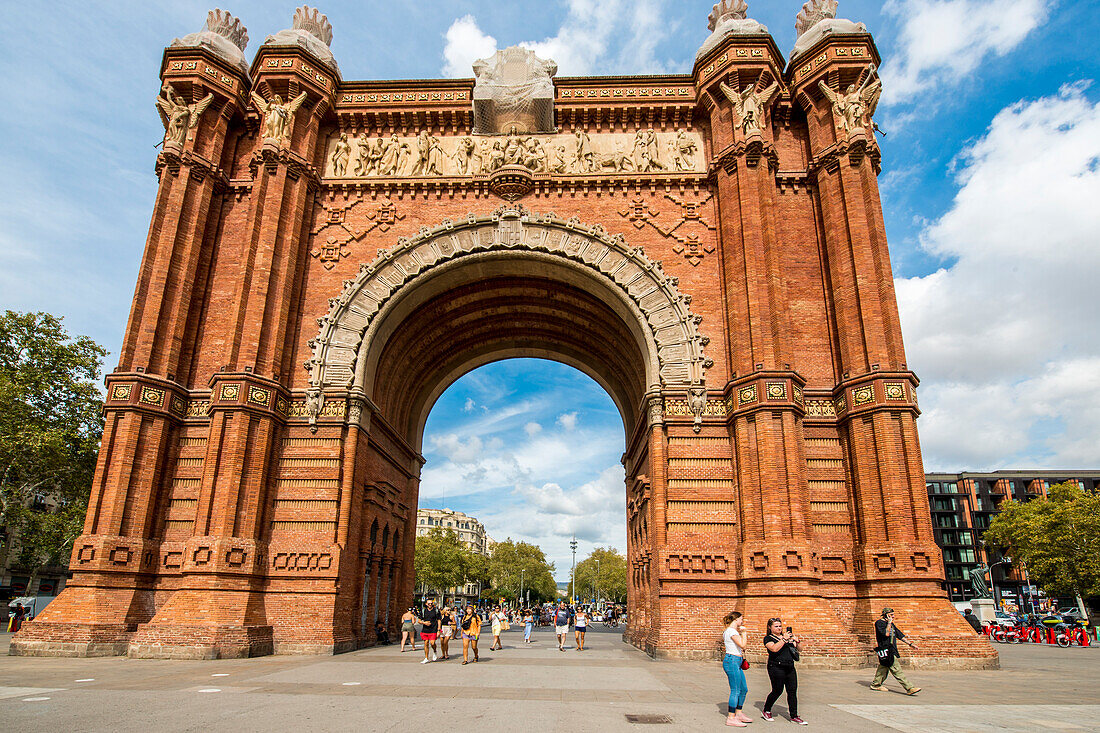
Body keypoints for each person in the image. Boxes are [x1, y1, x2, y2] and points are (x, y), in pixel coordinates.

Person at [762, 618, 806, 725]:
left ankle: (794, 715)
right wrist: (783, 640)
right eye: (776, 626)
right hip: (776, 667)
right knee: (777, 690)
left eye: (780, 626)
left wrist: (796, 640)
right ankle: (767, 710)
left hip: (789, 667)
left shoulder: (787, 638)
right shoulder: (768, 638)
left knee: (792, 691)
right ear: (770, 627)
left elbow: (800, 649)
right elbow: (774, 649)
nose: (779, 628)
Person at [871, 607, 921, 695]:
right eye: (891, 615)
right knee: (896, 669)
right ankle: (909, 688)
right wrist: (889, 623)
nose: (893, 617)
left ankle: (876, 684)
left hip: (891, 649)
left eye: (893, 615)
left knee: (884, 667)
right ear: (885, 615)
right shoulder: (880, 623)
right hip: (885, 649)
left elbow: (899, 635)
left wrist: (911, 644)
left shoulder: (891, 625)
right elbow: (886, 634)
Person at [722, 610, 751, 727]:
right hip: (732, 661)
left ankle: (738, 712)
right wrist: (744, 633)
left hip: (737, 661)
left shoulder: (732, 631)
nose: (742, 621)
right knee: (736, 690)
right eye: (741, 619)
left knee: (743, 689)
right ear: (736, 619)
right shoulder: (731, 631)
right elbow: (743, 645)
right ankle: (731, 717)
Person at [417, 598, 441, 664]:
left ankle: (435, 651)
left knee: (432, 643)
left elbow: (439, 620)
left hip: (433, 629)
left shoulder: (436, 611)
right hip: (425, 629)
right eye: (428, 604)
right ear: (426, 604)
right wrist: (424, 623)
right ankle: (426, 658)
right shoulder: (423, 611)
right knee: (426, 643)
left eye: (431, 603)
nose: (430, 605)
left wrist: (439, 630)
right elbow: (419, 621)